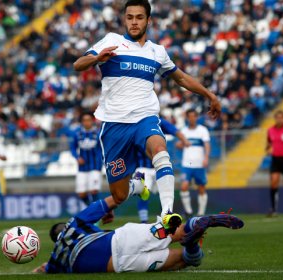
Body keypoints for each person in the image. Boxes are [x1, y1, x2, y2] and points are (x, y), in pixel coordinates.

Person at [73, 0, 221, 229]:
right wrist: (96, 58)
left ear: (148, 20)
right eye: (129, 17)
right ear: (124, 19)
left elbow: (181, 77)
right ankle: (137, 187)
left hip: (145, 118)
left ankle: (166, 214)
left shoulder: (157, 52)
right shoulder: (112, 41)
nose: (134, 22)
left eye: (139, 17)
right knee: (119, 195)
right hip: (114, 124)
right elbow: (78, 64)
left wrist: (209, 94)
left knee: (160, 150)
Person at [34, 192, 244, 274]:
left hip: (119, 266)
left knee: (184, 261)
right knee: (173, 232)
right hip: (122, 238)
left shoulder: (55, 260)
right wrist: (135, 187)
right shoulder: (76, 223)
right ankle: (195, 224)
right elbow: (113, 199)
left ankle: (192, 245)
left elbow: (41, 270)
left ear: (55, 239)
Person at [136, 118, 190, 223]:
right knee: (143, 192)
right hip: (142, 167)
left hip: (159, 166)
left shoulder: (157, 120)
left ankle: (164, 217)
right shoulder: (133, 122)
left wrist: (184, 141)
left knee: (164, 193)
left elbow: (174, 130)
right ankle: (144, 221)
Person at [177, 109, 211, 217]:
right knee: (184, 186)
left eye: (193, 116)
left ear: (197, 117)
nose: (192, 118)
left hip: (199, 163)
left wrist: (206, 157)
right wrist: (181, 144)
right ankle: (188, 211)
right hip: (187, 164)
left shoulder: (202, 130)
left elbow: (207, 145)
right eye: (190, 116)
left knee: (201, 187)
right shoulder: (183, 131)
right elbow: (178, 145)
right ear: (187, 118)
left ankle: (201, 213)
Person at [70, 112, 103, 206]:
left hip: (95, 166)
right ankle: (91, 209)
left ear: (92, 121)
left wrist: (100, 159)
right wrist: (77, 157)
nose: (86, 122)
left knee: (94, 191)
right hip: (82, 167)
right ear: (81, 122)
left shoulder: (98, 133)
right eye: (84, 120)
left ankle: (95, 217)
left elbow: (103, 148)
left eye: (88, 120)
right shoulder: (77, 134)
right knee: (81, 193)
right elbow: (73, 147)